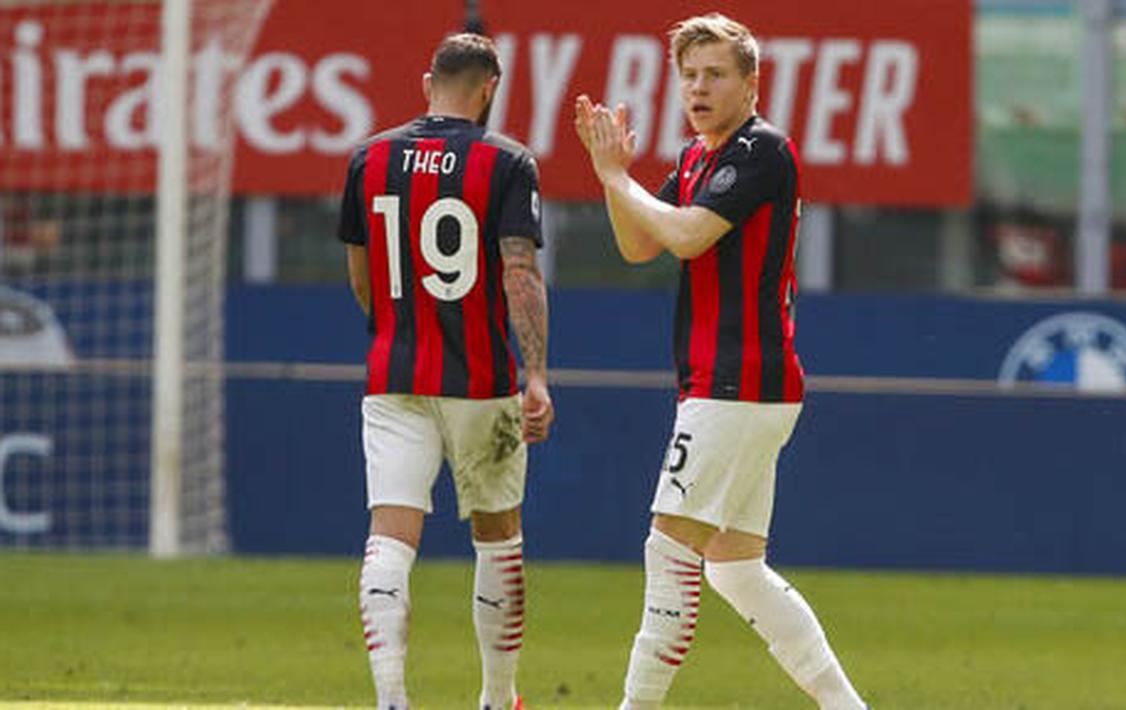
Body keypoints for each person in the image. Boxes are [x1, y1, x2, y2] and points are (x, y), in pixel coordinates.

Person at [574, 13, 868, 710]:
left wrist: (617, 175)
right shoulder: (696, 156)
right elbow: (638, 246)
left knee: (667, 548)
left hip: (737, 380)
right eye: (689, 76)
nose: (698, 88)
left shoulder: (759, 150)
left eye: (714, 75)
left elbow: (683, 237)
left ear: (751, 83)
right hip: (736, 384)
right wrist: (609, 178)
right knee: (735, 570)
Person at [336, 32, 552, 710]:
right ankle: (496, 697)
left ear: (428, 79)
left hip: (393, 374)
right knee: (497, 536)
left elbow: (361, 272)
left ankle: (392, 699)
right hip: (480, 382)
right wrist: (536, 374)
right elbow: (519, 270)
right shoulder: (508, 161)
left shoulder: (368, 158)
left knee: (390, 537)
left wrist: (395, 326)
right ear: (489, 88)